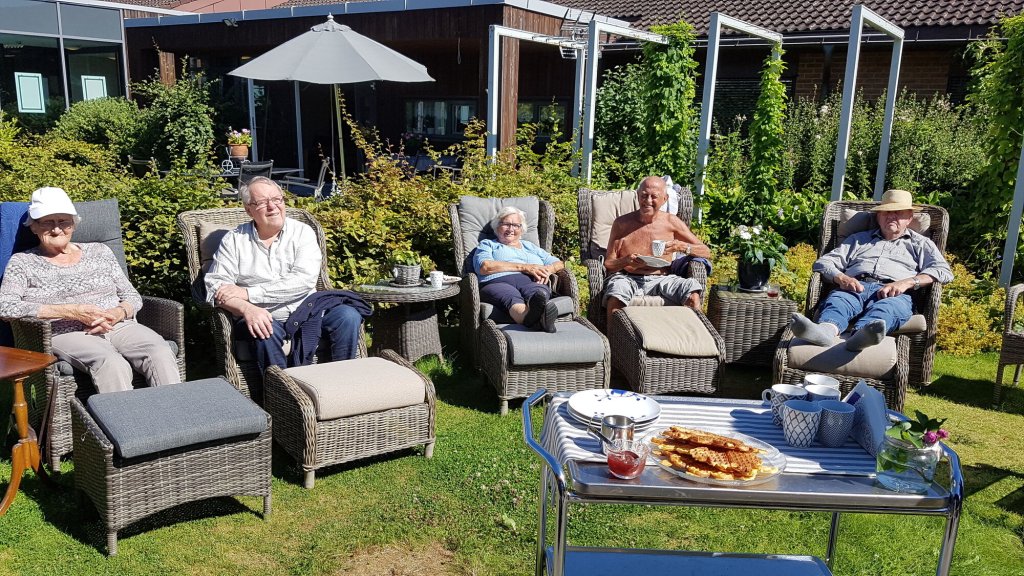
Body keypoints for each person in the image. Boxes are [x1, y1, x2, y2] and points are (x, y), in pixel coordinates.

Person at [0, 187, 180, 393]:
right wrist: (71, 311)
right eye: (47, 222)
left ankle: (175, 419)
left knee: (159, 351)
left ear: (74, 224)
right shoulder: (23, 262)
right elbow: (5, 306)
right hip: (66, 331)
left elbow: (131, 296)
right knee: (111, 363)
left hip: (117, 324)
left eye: (63, 221)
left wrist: (117, 313)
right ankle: (124, 424)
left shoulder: (100, 251)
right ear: (33, 227)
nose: (57, 229)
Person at [204, 177, 368, 372]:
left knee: (347, 316)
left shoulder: (302, 233)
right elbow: (215, 287)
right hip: (264, 315)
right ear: (249, 209)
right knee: (264, 329)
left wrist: (248, 294)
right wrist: (247, 309)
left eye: (277, 199)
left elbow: (303, 281)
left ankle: (344, 381)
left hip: (309, 310)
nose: (272, 207)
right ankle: (281, 393)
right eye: (263, 202)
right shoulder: (234, 240)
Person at [790, 189, 953, 351]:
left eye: (898, 213)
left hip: (895, 294)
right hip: (854, 288)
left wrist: (907, 282)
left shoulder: (921, 244)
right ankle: (825, 333)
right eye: (886, 213)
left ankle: (860, 337)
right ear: (878, 216)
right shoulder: (858, 239)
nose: (891, 216)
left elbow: (943, 271)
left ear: (909, 218)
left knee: (886, 310)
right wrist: (841, 278)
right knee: (838, 302)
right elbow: (823, 263)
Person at [603, 176, 712, 327]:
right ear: (638, 196)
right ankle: (614, 343)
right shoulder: (622, 223)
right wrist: (626, 261)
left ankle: (690, 341)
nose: (647, 201)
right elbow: (609, 263)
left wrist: (682, 247)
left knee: (692, 294)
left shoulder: (670, 222)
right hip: (628, 277)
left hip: (663, 278)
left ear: (665, 199)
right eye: (644, 196)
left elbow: (706, 251)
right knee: (616, 293)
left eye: (654, 196)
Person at [473, 206, 565, 333]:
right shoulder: (488, 244)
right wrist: (524, 267)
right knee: (511, 297)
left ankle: (535, 318)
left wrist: (548, 270)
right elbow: (484, 267)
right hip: (498, 282)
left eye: (516, 225)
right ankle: (539, 319)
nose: (511, 229)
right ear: (496, 226)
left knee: (539, 293)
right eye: (506, 224)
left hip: (532, 282)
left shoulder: (530, 247)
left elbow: (559, 263)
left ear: (521, 229)